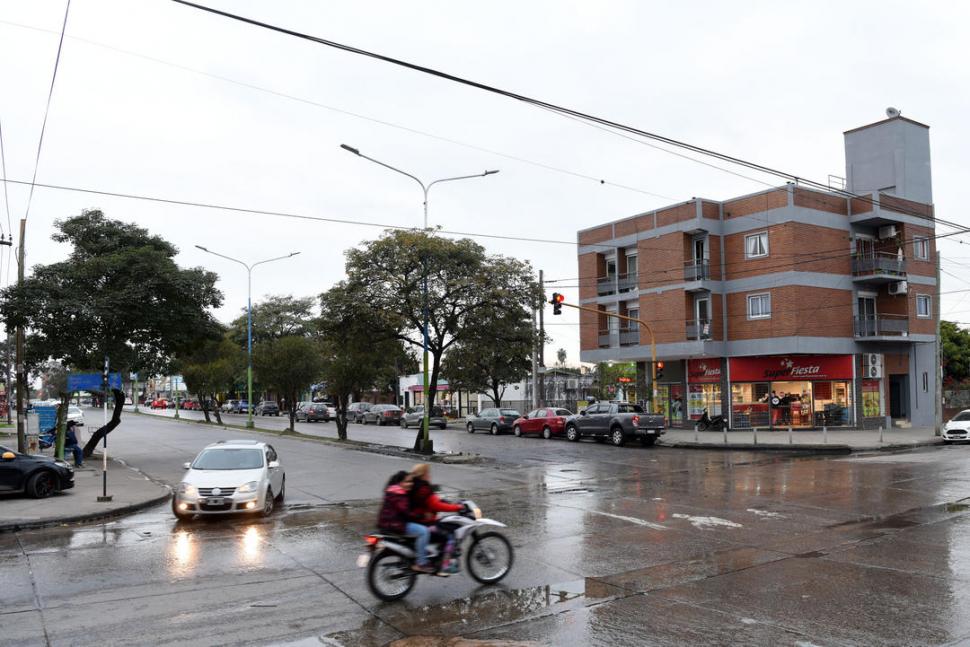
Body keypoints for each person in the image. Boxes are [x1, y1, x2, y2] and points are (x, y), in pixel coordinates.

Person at [376, 470, 433, 573]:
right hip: (396, 525)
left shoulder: (391, 491)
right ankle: (421, 563)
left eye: (411, 481)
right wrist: (421, 516)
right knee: (424, 531)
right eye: (407, 482)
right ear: (400, 482)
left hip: (386, 524)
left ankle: (419, 550)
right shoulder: (399, 494)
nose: (410, 484)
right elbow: (406, 513)